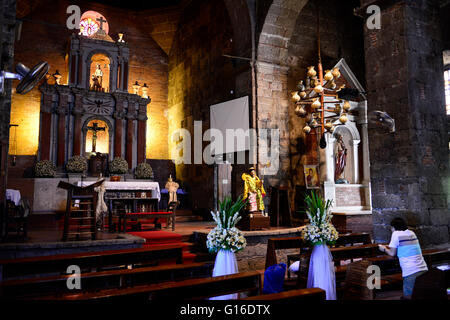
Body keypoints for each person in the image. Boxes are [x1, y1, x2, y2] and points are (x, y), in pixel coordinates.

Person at [378, 217, 428, 299]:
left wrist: (383, 248)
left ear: (393, 227)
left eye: (391, 228)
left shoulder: (396, 234)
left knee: (408, 297)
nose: (391, 230)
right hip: (424, 269)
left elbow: (392, 253)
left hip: (411, 272)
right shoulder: (412, 233)